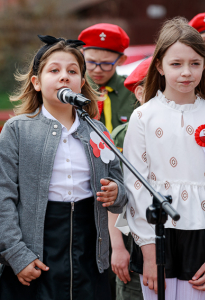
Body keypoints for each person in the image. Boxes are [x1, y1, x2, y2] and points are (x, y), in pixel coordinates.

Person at [0, 34, 127, 300]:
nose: (64, 76)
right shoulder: (17, 130)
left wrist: (117, 192)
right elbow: (2, 196)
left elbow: (120, 188)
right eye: (54, 70)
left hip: (88, 250)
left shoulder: (97, 131)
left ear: (82, 82)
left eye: (73, 71)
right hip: (36, 251)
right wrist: (18, 255)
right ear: (37, 82)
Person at [123, 17, 205, 299]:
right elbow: (136, 185)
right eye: (176, 64)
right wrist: (148, 252)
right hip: (158, 233)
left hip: (201, 230)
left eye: (195, 63)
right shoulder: (144, 116)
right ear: (159, 65)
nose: (186, 72)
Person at [78, 23, 137, 299]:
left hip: (122, 195)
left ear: (121, 60)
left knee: (120, 259)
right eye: (91, 62)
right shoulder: (73, 93)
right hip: (83, 190)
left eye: (106, 63)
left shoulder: (131, 94)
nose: (97, 69)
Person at [110, 57, 152, 300]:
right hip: (131, 238)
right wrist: (118, 247)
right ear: (139, 93)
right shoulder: (122, 136)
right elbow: (114, 197)